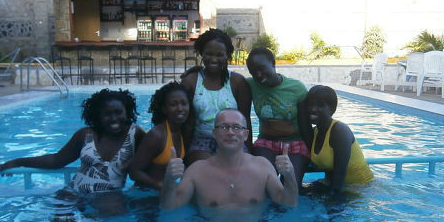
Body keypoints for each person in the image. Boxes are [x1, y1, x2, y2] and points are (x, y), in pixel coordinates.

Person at [161, 108, 298, 222]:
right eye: (224, 127)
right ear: (214, 133)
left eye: (237, 127)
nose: (230, 132)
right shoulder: (197, 171)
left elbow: (288, 203)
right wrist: (170, 179)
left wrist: (289, 175)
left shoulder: (263, 167)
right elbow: (170, 207)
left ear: (246, 134)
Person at [0, 89, 145, 194]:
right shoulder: (85, 135)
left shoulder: (135, 134)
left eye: (118, 112)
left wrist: (132, 163)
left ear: (127, 112)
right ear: (98, 116)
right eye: (107, 114)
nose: (113, 118)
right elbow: (56, 160)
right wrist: (18, 162)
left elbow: (151, 158)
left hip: (109, 197)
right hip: (73, 193)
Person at [181, 28, 252, 164]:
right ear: (201, 53)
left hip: (233, 139)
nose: (214, 59)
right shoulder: (191, 81)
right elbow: (187, 123)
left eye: (220, 55)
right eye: (209, 54)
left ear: (228, 55)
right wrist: (182, 154)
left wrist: (250, 153)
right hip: (202, 141)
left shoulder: (237, 82)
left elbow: (246, 120)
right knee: (207, 168)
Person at [246, 47, 311, 185]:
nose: (258, 75)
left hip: (295, 143)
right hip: (266, 143)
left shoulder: (296, 88)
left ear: (273, 63)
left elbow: (305, 124)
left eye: (261, 68)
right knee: (264, 182)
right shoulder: (250, 85)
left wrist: (314, 152)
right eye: (253, 72)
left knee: (291, 184)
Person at [305, 85, 374, 192]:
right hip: (338, 185)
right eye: (310, 104)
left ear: (332, 109)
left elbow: (340, 174)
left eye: (320, 105)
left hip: (362, 189)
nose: (313, 109)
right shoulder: (315, 132)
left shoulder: (339, 131)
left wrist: (330, 198)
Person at [129, 82, 190, 191]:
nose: (180, 108)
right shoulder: (157, 135)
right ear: (164, 109)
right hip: (145, 194)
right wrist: (158, 185)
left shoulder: (183, 131)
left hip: (164, 192)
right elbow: (134, 172)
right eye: (173, 104)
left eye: (184, 103)